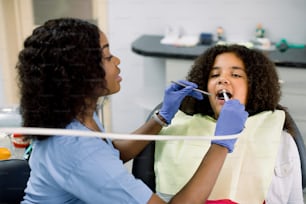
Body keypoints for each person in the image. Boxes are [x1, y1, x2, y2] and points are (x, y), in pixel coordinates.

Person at [16, 18, 248, 204]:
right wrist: (221, 143)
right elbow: (93, 158)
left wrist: (161, 117)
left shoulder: (77, 112)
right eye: (107, 56)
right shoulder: (77, 152)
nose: (117, 60)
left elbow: (110, 152)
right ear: (79, 75)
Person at [154, 44, 304, 203]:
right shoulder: (178, 130)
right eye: (214, 75)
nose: (222, 79)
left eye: (236, 75)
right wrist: (160, 118)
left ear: (254, 87)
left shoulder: (278, 139)